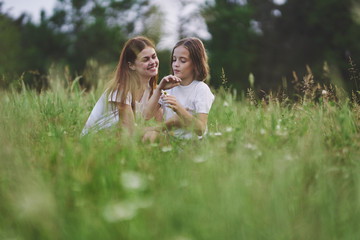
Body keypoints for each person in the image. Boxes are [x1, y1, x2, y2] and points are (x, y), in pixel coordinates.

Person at [81, 36, 179, 136]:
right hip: (97, 139)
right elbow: (129, 131)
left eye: (154, 57)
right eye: (145, 59)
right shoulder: (120, 90)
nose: (152, 62)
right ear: (131, 65)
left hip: (119, 139)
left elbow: (161, 126)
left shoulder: (154, 92)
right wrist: (168, 124)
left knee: (156, 137)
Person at [143, 37, 215, 140]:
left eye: (183, 61)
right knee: (148, 136)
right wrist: (159, 89)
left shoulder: (201, 89)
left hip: (193, 143)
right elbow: (146, 116)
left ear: (195, 64)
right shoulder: (169, 87)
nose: (176, 64)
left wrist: (179, 109)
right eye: (174, 59)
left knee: (150, 135)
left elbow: (201, 129)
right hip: (171, 139)